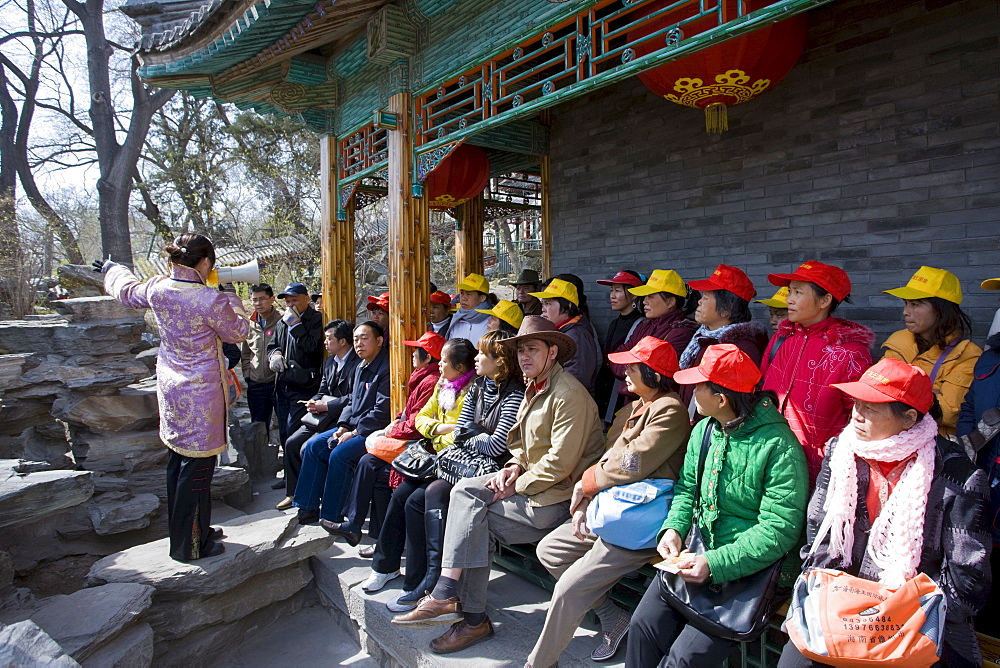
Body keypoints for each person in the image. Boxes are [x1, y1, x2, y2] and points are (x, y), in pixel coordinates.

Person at [392, 317, 605, 655]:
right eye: (520, 350)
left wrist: (516, 483)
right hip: (534, 484)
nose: (524, 357)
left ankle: (464, 610)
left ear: (553, 352)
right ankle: (454, 600)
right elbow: (519, 443)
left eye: (532, 349)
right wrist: (513, 466)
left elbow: (561, 464)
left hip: (559, 495)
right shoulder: (535, 386)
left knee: (475, 519)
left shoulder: (568, 395)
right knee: (465, 496)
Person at [777, 358, 991, 668]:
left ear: (909, 418)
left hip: (912, 617)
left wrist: (898, 615)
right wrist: (837, 598)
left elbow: (967, 580)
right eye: (856, 404)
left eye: (871, 408)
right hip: (841, 600)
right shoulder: (841, 451)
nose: (857, 415)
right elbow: (818, 536)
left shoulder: (958, 478)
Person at [626, 344, 808, 666]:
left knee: (681, 660)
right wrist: (674, 529)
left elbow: (779, 529)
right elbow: (686, 490)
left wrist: (715, 562)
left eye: (699, 386)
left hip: (745, 573)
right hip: (695, 556)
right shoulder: (705, 430)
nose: (692, 391)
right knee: (641, 627)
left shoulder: (779, 447)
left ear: (721, 398)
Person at [527, 336, 689, 667]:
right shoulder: (632, 408)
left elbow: (634, 461)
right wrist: (589, 495)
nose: (624, 371)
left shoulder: (669, 409)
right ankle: (613, 617)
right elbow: (608, 458)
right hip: (611, 509)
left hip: (638, 520)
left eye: (633, 366)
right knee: (550, 550)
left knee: (569, 592)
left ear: (653, 373)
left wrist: (588, 484)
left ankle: (539, 663)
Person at [98, 232, 250, 562]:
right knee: (198, 471)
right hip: (202, 395)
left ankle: (193, 532)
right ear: (206, 262)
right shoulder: (210, 300)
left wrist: (111, 269)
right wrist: (231, 297)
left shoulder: (156, 287)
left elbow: (126, 291)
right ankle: (188, 546)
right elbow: (238, 332)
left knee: (177, 463)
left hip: (170, 388)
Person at [369, 331, 524, 612]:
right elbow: (452, 428)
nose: (476, 358)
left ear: (500, 361)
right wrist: (472, 435)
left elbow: (496, 445)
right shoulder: (478, 386)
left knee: (430, 495)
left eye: (482, 354)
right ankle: (414, 578)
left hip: (487, 470)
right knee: (406, 492)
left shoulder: (513, 392)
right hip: (458, 462)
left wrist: (469, 436)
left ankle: (435, 581)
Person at [319, 333, 453, 552]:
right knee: (367, 462)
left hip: (418, 445)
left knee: (373, 468)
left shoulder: (430, 382)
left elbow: (417, 423)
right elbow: (409, 413)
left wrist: (392, 430)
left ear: (428, 357)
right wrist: (394, 425)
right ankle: (363, 529)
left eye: (416, 350)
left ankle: (376, 536)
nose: (411, 354)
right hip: (406, 436)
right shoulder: (422, 377)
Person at [761, 260, 874, 481]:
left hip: (821, 469)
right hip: (771, 459)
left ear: (825, 300)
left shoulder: (848, 353)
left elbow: (861, 418)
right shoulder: (782, 339)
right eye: (790, 291)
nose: (789, 299)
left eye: (798, 292)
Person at [293, 321, 391, 525]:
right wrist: (343, 426)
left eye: (365, 338)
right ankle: (307, 506)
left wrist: (354, 433)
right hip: (353, 427)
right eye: (356, 339)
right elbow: (352, 402)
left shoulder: (386, 368)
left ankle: (331, 516)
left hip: (373, 431)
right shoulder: (360, 365)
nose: (359, 344)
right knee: (314, 446)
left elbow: (381, 412)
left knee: (339, 455)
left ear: (379, 340)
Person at [881, 266, 981, 436]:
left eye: (915, 304)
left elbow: (949, 413)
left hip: (934, 448)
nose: (905, 312)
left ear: (941, 310)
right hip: (892, 440)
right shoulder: (898, 342)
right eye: (905, 303)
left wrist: (898, 394)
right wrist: (931, 394)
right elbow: (876, 396)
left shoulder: (967, 355)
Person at [274, 319, 359, 510]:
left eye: (329, 338)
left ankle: (313, 496)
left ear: (343, 341)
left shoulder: (357, 363)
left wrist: (328, 407)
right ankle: (292, 492)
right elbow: (322, 389)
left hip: (341, 417)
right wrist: (314, 401)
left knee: (308, 448)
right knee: (291, 443)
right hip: (320, 417)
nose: (325, 342)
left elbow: (355, 396)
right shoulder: (329, 362)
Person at [680, 264, 769, 417]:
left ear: (727, 308)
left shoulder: (740, 350)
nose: (699, 302)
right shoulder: (703, 338)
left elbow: (734, 406)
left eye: (706, 297)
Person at [610, 270, 697, 404]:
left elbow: (654, 376)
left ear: (670, 302)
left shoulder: (681, 333)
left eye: (650, 296)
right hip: (635, 403)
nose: (644, 301)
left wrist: (629, 366)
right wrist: (635, 369)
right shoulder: (644, 325)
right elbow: (616, 358)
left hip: (658, 405)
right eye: (645, 296)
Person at [267, 282, 324, 449]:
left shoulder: (316, 319)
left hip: (304, 385)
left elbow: (313, 348)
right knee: (284, 430)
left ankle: (297, 472)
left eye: (295, 300)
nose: (291, 305)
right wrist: (275, 355)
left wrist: (297, 326)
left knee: (295, 431)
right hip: (283, 384)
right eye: (288, 302)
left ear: (306, 299)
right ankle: (288, 472)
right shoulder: (282, 321)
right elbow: (273, 345)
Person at [532, 278, 600, 393]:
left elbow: (576, 380)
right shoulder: (562, 330)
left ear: (568, 306)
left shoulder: (577, 336)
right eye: (543, 303)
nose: (543, 309)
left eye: (548, 303)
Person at [594, 270, 645, 422]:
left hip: (622, 395)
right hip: (606, 392)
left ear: (634, 295)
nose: (612, 296)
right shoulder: (614, 323)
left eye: (617, 291)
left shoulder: (640, 324)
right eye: (611, 291)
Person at [241, 283, 282, 434]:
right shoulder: (249, 323)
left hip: (278, 383)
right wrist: (248, 374)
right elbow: (245, 353)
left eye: (262, 299)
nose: (258, 303)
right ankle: (259, 456)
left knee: (284, 426)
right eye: (255, 300)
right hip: (256, 383)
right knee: (258, 427)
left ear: (272, 299)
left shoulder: (282, 321)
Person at [448, 273, 491, 345]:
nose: (463, 298)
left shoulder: (491, 322)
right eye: (462, 293)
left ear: (482, 298)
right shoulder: (457, 318)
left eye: (468, 294)